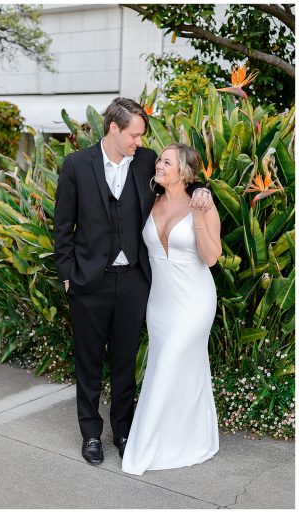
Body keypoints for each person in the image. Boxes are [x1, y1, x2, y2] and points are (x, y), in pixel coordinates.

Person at [53, 98, 213, 466]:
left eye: (142, 136)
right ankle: (90, 434)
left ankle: (123, 431)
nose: (141, 142)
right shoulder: (77, 165)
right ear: (114, 128)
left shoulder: (146, 163)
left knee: (125, 361)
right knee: (88, 361)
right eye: (135, 135)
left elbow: (183, 182)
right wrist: (67, 278)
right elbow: (63, 227)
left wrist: (206, 191)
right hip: (88, 282)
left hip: (135, 282)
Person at [121, 143, 220, 474]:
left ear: (185, 172)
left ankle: (144, 449)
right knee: (169, 368)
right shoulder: (152, 201)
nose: (159, 165)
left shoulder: (202, 205)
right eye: (159, 160)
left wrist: (198, 216)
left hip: (194, 302)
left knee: (168, 365)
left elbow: (210, 258)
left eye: (166, 162)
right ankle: (186, 436)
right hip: (160, 305)